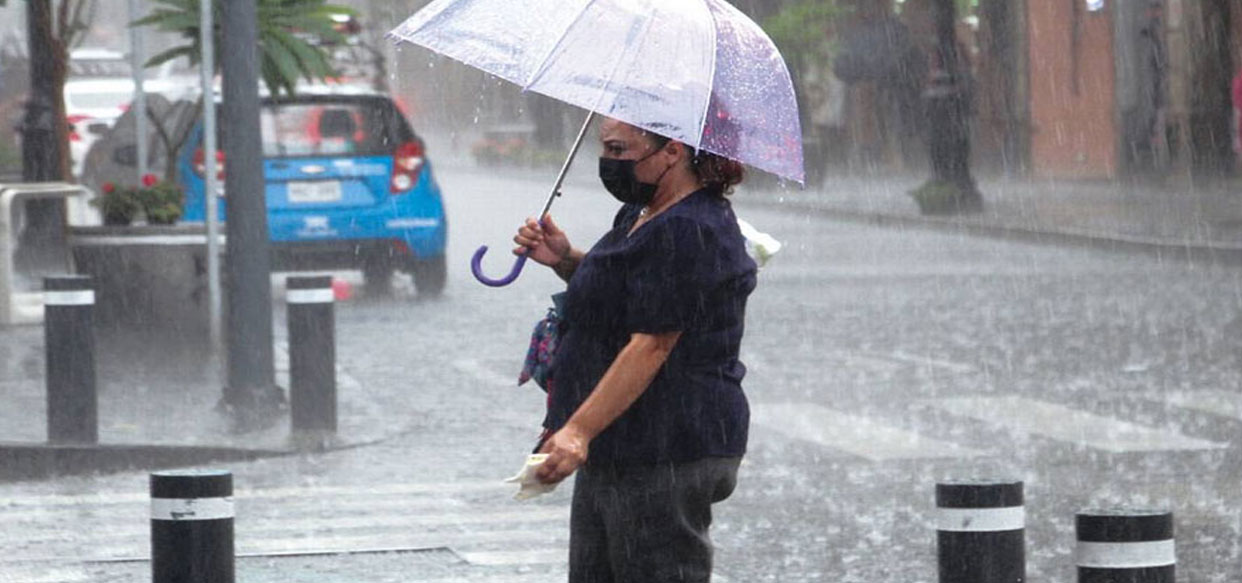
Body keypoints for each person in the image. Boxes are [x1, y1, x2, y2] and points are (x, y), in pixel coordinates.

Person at [511, 117, 757, 582]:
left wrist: (577, 431)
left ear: (673, 151)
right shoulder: (643, 212)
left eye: (620, 149)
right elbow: (627, 294)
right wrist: (565, 258)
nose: (609, 162)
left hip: (666, 447)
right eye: (605, 148)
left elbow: (652, 343)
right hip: (621, 443)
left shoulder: (689, 228)